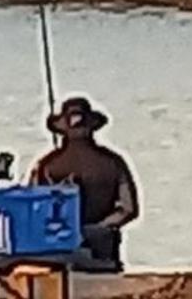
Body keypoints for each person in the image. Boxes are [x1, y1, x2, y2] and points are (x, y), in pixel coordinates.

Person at [31, 96, 139, 271]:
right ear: (91, 126)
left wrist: (69, 229)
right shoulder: (113, 162)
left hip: (58, 252)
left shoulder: (46, 165)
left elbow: (34, 210)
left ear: (62, 129)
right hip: (103, 253)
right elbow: (129, 210)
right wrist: (98, 228)